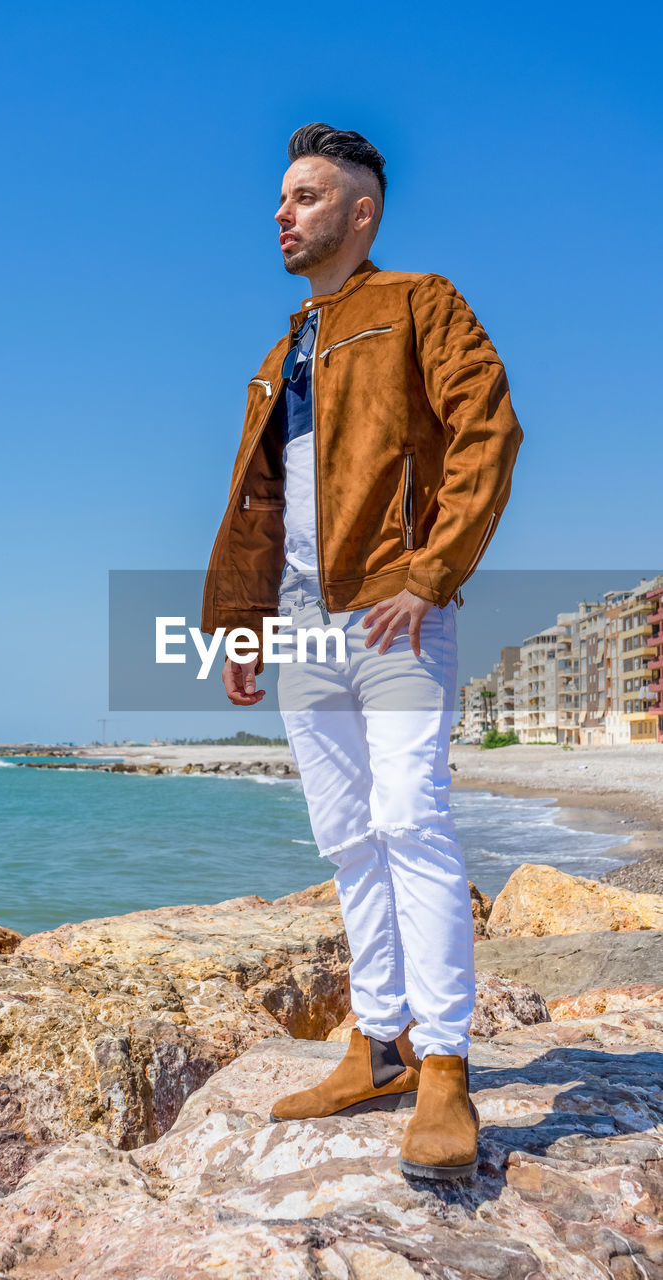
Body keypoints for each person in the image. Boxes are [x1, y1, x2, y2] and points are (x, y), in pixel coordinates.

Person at [200, 123, 523, 1181]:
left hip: (394, 611)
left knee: (409, 817)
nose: (282, 212)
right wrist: (243, 624)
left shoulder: (419, 303)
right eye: (281, 198)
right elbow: (258, 502)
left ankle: (442, 1065)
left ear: (359, 211)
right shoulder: (281, 345)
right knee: (346, 834)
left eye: (304, 196)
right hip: (300, 620)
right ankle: (375, 1040)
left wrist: (428, 573)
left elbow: (488, 433)